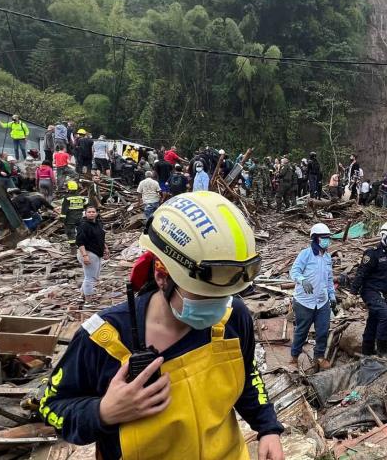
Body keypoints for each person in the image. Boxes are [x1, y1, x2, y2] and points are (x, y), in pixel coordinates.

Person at [39, 192, 284, 459]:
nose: (218, 306)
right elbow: (53, 407)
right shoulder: (103, 340)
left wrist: (267, 427)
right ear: (161, 275)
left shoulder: (233, 317)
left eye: (224, 295)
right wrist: (103, 412)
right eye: (202, 294)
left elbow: (246, 375)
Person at [289, 223, 336, 371]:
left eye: (328, 238)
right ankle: (294, 358)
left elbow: (329, 279)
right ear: (315, 239)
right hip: (304, 301)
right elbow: (294, 271)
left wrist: (332, 295)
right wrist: (302, 280)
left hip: (322, 301)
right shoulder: (305, 254)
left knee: (323, 330)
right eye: (324, 238)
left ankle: (319, 357)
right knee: (302, 330)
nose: (327, 241)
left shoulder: (327, 257)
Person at [351, 221, 387, 356]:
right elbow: (361, 273)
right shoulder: (372, 254)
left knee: (374, 320)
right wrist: (353, 293)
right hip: (370, 292)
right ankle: (382, 351)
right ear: (383, 236)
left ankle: (367, 352)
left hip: (382, 293)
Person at [74, 205, 107, 303]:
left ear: (96, 213)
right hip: (88, 253)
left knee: (92, 276)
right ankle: (88, 301)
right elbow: (80, 242)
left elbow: (100, 237)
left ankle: (82, 295)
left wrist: (106, 248)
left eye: (93, 212)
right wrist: (85, 256)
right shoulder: (83, 225)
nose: (91, 214)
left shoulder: (98, 223)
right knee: (90, 278)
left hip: (96, 252)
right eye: (89, 212)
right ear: (85, 213)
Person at [60, 181, 88, 246]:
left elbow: (64, 210)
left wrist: (62, 219)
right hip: (80, 218)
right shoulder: (81, 198)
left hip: (70, 219)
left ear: (69, 189)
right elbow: (87, 206)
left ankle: (73, 248)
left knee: (70, 233)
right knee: (81, 232)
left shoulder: (67, 198)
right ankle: (82, 245)